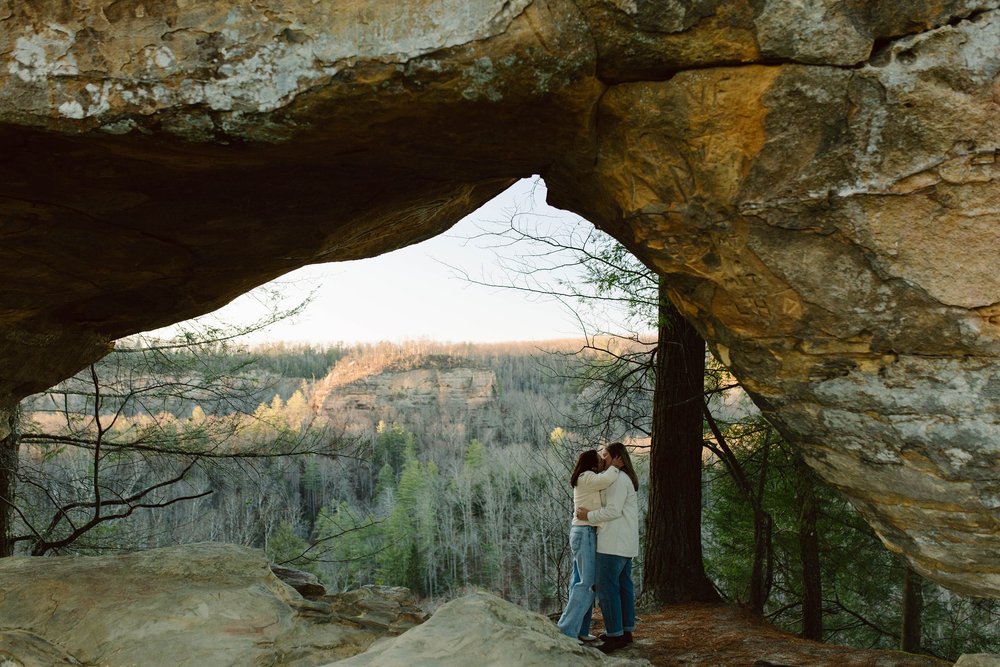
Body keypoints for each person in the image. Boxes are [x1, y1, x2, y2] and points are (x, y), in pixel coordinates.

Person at [576, 441, 639, 654]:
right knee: (623, 588)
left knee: (606, 589)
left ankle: (615, 635)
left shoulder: (618, 480)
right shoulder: (621, 478)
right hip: (623, 543)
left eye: (605, 455)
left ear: (615, 458)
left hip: (613, 543)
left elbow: (612, 511)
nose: (602, 460)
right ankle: (625, 631)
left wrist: (588, 516)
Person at [556, 448, 620, 642]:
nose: (603, 462)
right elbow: (605, 480)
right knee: (587, 584)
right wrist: (615, 467)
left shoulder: (585, 478)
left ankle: (580, 630)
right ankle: (567, 630)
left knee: (579, 582)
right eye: (600, 459)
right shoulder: (587, 476)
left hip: (582, 532)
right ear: (593, 463)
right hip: (584, 534)